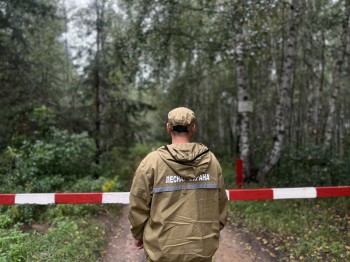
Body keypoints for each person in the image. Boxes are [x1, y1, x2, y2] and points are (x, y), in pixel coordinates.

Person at [128, 107, 228, 262]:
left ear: (168, 127)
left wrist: (138, 234)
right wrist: (210, 233)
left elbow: (138, 204)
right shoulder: (212, 161)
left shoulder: (152, 161)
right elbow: (221, 204)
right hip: (201, 249)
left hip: (162, 250)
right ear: (193, 128)